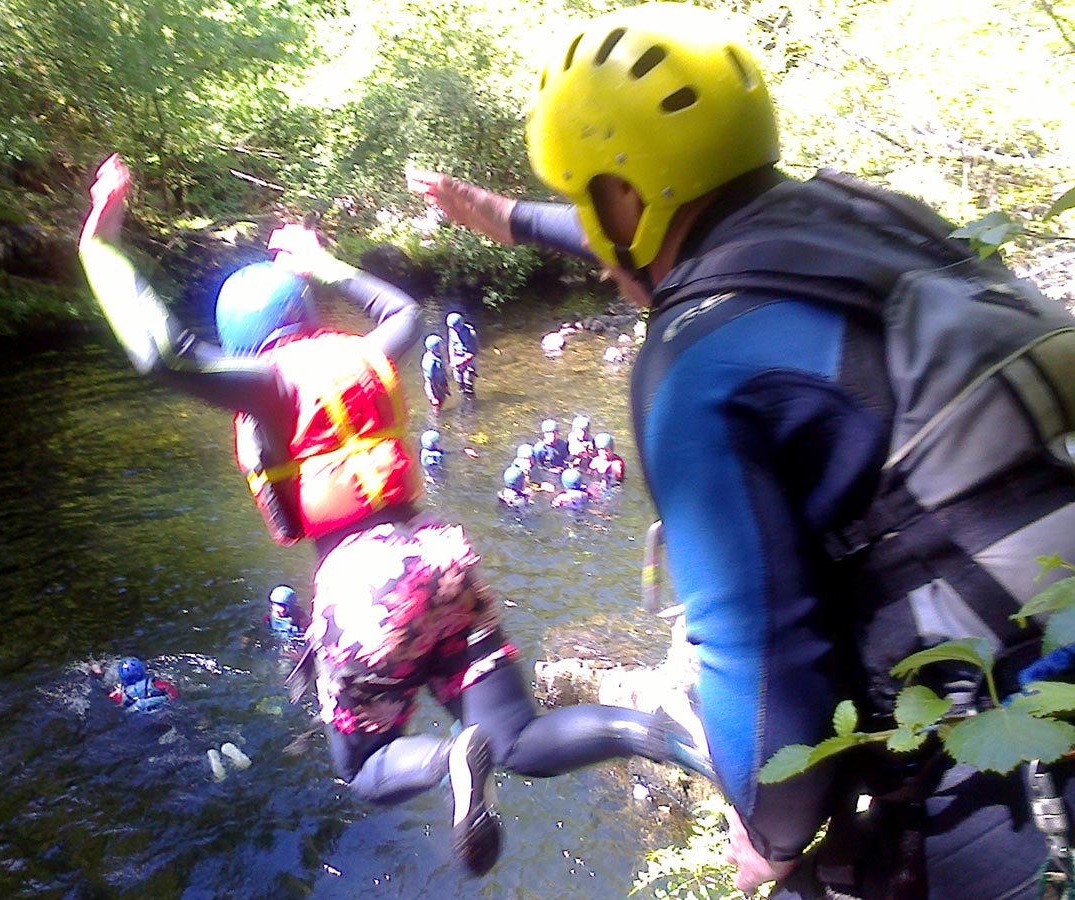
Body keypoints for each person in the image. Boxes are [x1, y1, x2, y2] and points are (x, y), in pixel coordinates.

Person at [405, 3, 1075, 896]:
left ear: (625, 196)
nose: (592, 237)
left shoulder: (693, 365)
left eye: (584, 195)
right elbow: (680, 226)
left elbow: (765, 668)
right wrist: (513, 218)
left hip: (999, 788)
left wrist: (772, 830)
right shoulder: (874, 215)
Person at [78, 153, 712, 877]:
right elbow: (405, 311)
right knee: (519, 739)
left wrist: (101, 244)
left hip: (365, 585)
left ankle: (451, 762)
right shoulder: (368, 355)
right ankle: (672, 737)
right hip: (438, 556)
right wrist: (324, 261)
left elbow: (164, 352)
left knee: (367, 765)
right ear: (306, 315)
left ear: (247, 338)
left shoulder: (270, 386)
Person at [108, 657, 179, 712]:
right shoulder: (157, 684)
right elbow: (173, 693)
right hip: (161, 710)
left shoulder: (121, 695)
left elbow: (112, 699)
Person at [446, 311, 479, 398]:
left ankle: (471, 403)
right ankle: (462, 397)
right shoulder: (451, 330)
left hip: (468, 360)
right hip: (457, 358)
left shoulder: (471, 332)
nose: (454, 329)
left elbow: (473, 352)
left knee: (468, 382)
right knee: (459, 381)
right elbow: (451, 345)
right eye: (452, 327)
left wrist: (461, 361)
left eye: (455, 327)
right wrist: (452, 359)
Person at [421, 333, 450, 408]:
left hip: (441, 385)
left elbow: (443, 373)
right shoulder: (430, 361)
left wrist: (446, 387)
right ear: (434, 348)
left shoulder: (438, 357)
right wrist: (432, 397)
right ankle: (434, 418)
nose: (442, 348)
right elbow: (429, 381)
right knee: (436, 406)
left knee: (442, 401)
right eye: (439, 346)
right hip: (434, 388)